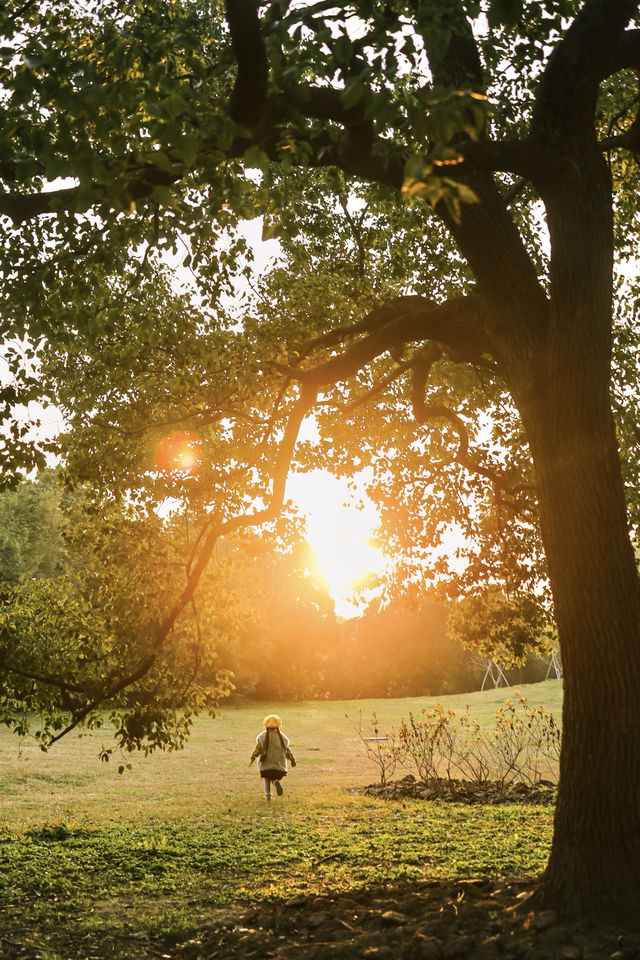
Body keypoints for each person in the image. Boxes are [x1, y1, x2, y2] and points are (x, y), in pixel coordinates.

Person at [249, 714, 296, 801]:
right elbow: (287, 750)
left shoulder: (262, 737)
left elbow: (257, 749)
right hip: (279, 765)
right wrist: (292, 759)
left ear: (266, 724)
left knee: (267, 780)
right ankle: (275, 782)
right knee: (274, 777)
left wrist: (253, 757)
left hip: (266, 765)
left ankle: (268, 797)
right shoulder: (283, 737)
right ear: (279, 724)